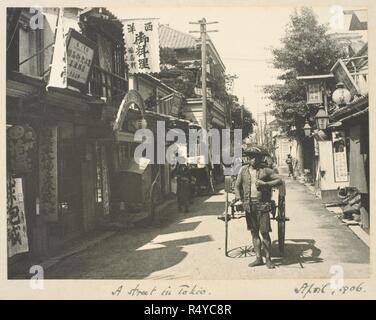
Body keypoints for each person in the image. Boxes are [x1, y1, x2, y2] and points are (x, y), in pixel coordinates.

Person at [234, 151, 282, 269]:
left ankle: (268, 259)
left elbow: (279, 180)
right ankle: (258, 258)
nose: (254, 160)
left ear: (260, 159)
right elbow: (237, 186)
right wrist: (239, 199)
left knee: (264, 233)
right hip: (249, 206)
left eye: (256, 158)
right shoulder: (243, 170)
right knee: (254, 233)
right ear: (248, 159)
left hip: (263, 206)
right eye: (251, 158)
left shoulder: (265, 170)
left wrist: (265, 184)